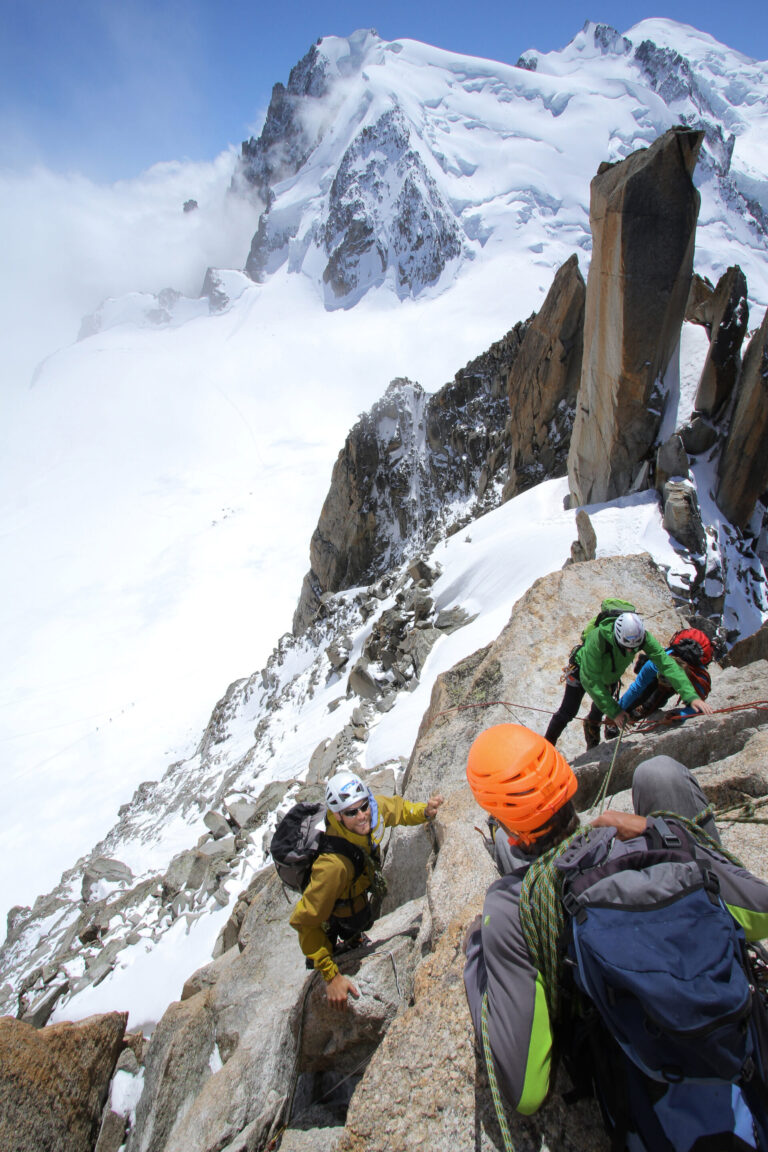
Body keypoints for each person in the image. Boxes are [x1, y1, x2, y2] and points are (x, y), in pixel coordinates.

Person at [463, 723, 768, 1143]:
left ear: (512, 829)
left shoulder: (512, 906)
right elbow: (761, 914)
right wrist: (664, 835)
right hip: (740, 1062)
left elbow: (527, 1091)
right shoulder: (657, 844)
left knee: (511, 865)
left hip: (654, 1101)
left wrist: (479, 948)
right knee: (660, 773)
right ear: (568, 783)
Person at [290, 769, 443, 1011]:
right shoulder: (332, 866)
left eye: (363, 806)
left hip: (354, 886)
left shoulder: (373, 812)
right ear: (337, 816)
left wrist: (424, 811)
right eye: (352, 812)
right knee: (335, 927)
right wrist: (331, 976)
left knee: (362, 919)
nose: (362, 816)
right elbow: (305, 920)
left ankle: (352, 938)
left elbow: (398, 810)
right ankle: (326, 952)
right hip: (333, 900)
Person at [545, 610, 712, 749]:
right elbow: (590, 679)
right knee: (568, 711)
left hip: (609, 676)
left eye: (635, 648)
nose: (631, 652)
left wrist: (691, 696)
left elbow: (667, 664)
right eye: (626, 647)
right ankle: (546, 746)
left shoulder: (643, 638)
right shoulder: (598, 639)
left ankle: (592, 736)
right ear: (617, 637)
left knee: (598, 711)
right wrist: (615, 712)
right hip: (582, 671)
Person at [618, 628, 712, 724]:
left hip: (679, 675)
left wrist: (677, 716)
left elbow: (697, 707)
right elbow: (636, 688)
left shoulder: (698, 678)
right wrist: (616, 710)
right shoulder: (655, 663)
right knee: (645, 691)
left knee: (657, 698)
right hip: (658, 668)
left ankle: (645, 707)